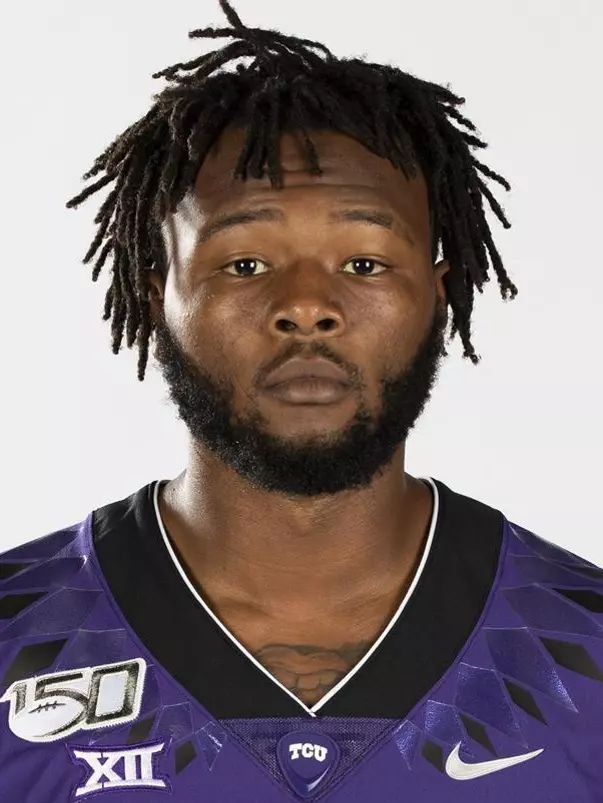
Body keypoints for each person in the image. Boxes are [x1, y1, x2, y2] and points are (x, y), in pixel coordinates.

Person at [1, 1, 600, 800]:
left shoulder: (584, 652)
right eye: (245, 263)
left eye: (364, 263)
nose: (307, 305)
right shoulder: (16, 640)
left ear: (438, 296)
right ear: (156, 299)